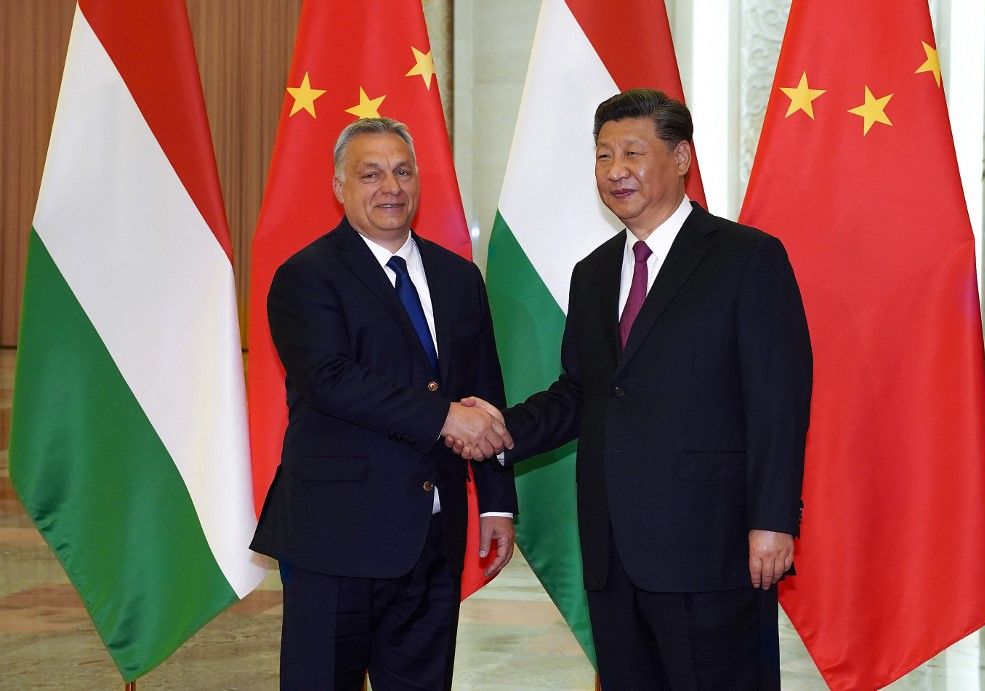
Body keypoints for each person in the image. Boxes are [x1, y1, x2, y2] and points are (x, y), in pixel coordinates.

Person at [450, 88, 812, 689]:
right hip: (614, 551)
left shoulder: (747, 258)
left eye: (632, 153)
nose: (615, 171)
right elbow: (581, 393)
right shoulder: (592, 273)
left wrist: (772, 520)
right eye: (602, 155)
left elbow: (779, 401)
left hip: (712, 546)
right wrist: (499, 431)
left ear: (680, 158)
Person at [250, 117, 518, 691]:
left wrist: (496, 501)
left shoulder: (459, 278)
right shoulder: (306, 277)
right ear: (339, 186)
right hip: (335, 538)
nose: (390, 187)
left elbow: (484, 391)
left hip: (433, 537)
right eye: (370, 174)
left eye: (401, 171)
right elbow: (331, 379)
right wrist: (445, 416)